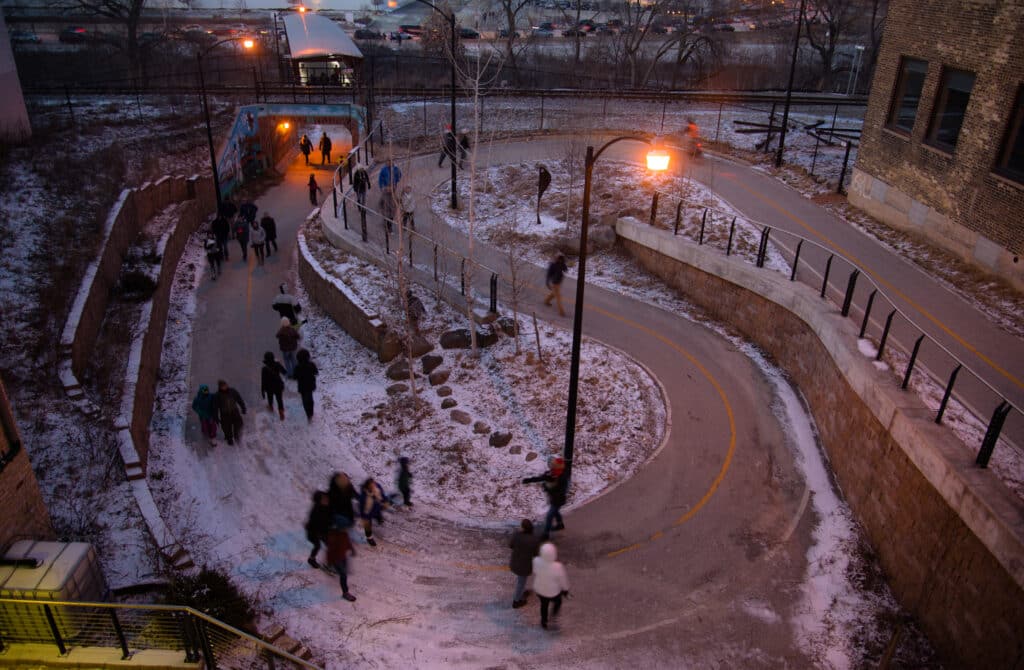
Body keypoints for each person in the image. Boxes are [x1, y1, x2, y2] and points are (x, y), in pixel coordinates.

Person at [522, 456, 569, 537]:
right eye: (552, 467)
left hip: (559, 500)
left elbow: (560, 491)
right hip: (553, 498)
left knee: (549, 516)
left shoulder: (562, 478)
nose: (552, 469)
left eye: (553, 468)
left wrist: (547, 488)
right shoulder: (552, 473)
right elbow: (541, 478)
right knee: (556, 512)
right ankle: (560, 524)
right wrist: (529, 480)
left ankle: (546, 534)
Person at [532, 542, 569, 629]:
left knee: (544, 605)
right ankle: (553, 615)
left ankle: (544, 621)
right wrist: (565, 590)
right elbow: (562, 580)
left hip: (540, 589)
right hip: (553, 591)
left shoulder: (536, 561)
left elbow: (535, 571)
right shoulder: (557, 566)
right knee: (558, 602)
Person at [509, 519, 541, 608]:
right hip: (525, 566)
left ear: (523, 528)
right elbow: (536, 553)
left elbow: (510, 545)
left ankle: (520, 594)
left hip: (515, 562)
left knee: (521, 582)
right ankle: (516, 601)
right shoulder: (534, 539)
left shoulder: (516, 535)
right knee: (521, 583)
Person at [326, 523, 358, 601]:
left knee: (345, 572)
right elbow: (330, 551)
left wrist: (352, 549)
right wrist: (329, 561)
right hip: (336, 559)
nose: (346, 529)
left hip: (343, 556)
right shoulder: (333, 537)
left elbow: (348, 542)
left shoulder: (344, 534)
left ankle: (331, 568)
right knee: (343, 575)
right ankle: (345, 593)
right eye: (344, 527)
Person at [213, 379, 246, 445]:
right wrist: (216, 417)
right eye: (222, 386)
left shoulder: (232, 391)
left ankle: (236, 435)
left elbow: (239, 399)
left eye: (225, 385)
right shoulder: (217, 395)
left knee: (238, 424)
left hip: (234, 411)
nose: (224, 387)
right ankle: (229, 438)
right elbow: (215, 407)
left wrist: (243, 407)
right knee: (226, 428)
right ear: (220, 387)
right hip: (225, 414)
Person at [305, 490, 331, 568]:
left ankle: (329, 562)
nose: (326, 499)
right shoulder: (316, 511)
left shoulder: (326, 507)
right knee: (317, 546)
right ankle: (312, 560)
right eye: (323, 499)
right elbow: (316, 524)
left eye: (326, 498)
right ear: (319, 501)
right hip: (313, 533)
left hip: (322, 531)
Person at [358, 478, 387, 547]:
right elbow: (362, 509)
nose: (374, 485)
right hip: (368, 512)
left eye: (373, 483)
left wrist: (385, 501)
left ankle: (379, 519)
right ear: (368, 486)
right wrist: (364, 518)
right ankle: (369, 538)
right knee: (368, 526)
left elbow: (382, 494)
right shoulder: (364, 496)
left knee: (378, 514)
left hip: (376, 507)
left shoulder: (377, 487)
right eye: (371, 485)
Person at [294, 348, 319, 421]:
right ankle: (311, 412)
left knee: (304, 400)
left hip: (302, 386)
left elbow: (294, 376)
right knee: (310, 399)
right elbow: (316, 372)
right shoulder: (311, 364)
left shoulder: (297, 367)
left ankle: (308, 414)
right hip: (310, 385)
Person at [261, 351, 286, 421]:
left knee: (270, 398)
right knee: (279, 399)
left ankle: (271, 407)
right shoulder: (277, 364)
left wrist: (262, 390)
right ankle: (281, 413)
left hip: (269, 387)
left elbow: (263, 380)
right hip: (278, 385)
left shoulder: (264, 369)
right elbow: (284, 372)